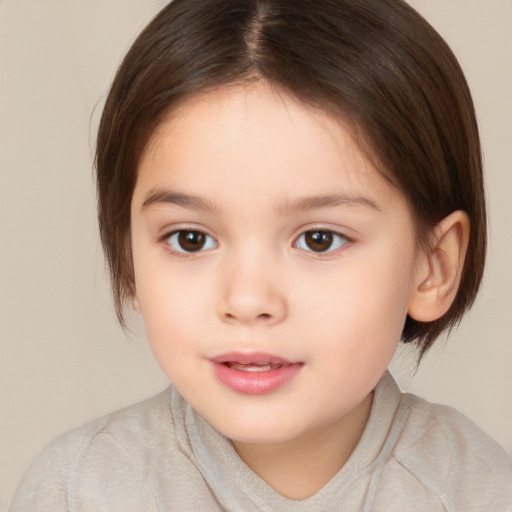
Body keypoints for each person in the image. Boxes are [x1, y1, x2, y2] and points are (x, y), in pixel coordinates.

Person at [9, 0, 512, 510]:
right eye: (190, 239)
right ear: (127, 260)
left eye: (319, 239)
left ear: (433, 266)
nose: (248, 300)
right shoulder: (77, 491)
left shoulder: (475, 492)